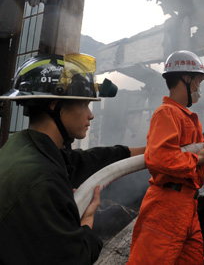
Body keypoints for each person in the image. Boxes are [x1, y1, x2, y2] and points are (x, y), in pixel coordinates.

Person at [0, 53, 145, 265]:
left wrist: (147, 151)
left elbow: (84, 161)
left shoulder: (23, 147)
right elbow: (75, 258)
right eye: (85, 103)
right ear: (55, 104)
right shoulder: (44, 182)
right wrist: (87, 222)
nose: (91, 115)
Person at [128, 50, 204, 264]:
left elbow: (192, 156)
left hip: (186, 207)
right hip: (166, 208)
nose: (199, 88)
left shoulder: (184, 116)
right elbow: (160, 159)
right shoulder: (167, 113)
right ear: (185, 79)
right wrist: (199, 159)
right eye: (198, 81)